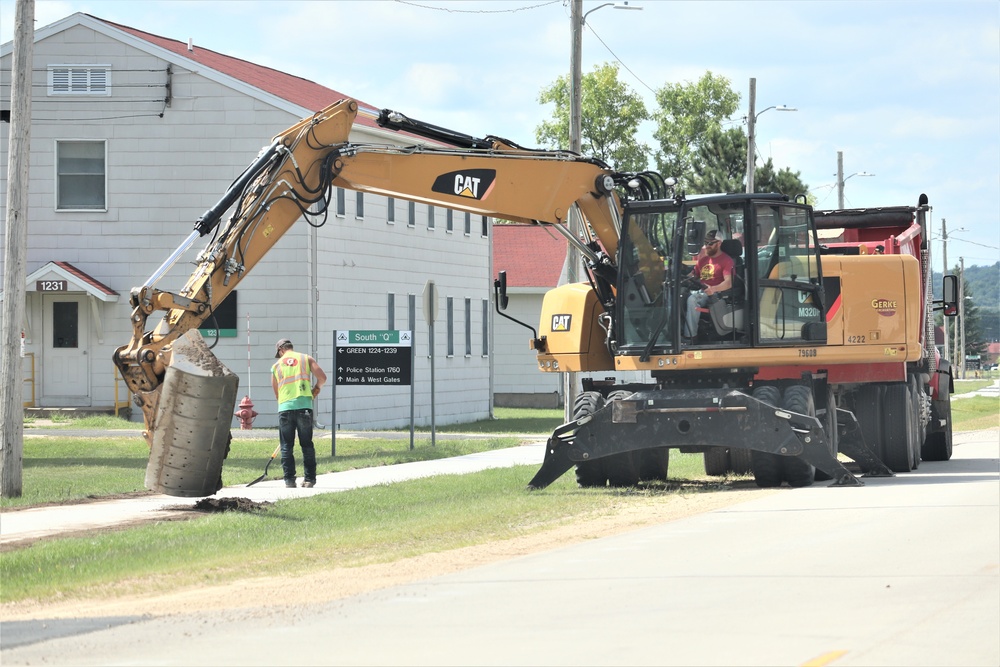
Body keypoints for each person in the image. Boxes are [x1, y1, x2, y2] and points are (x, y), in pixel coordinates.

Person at [271, 338, 327, 488]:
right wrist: (316, 389)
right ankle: (309, 480)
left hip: (285, 408)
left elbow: (277, 393)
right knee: (307, 445)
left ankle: (289, 480)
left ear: (281, 350)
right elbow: (322, 378)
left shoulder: (276, 366)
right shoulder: (305, 358)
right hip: (304, 407)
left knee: (286, 446)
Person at [684, 230, 734, 341]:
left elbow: (728, 282)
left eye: (710, 243)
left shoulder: (726, 261)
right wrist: (684, 276)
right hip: (700, 291)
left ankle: (691, 337)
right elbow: (693, 274)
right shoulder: (703, 260)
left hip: (715, 295)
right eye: (705, 243)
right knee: (679, 295)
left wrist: (713, 289)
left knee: (692, 300)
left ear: (719, 243)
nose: (707, 246)